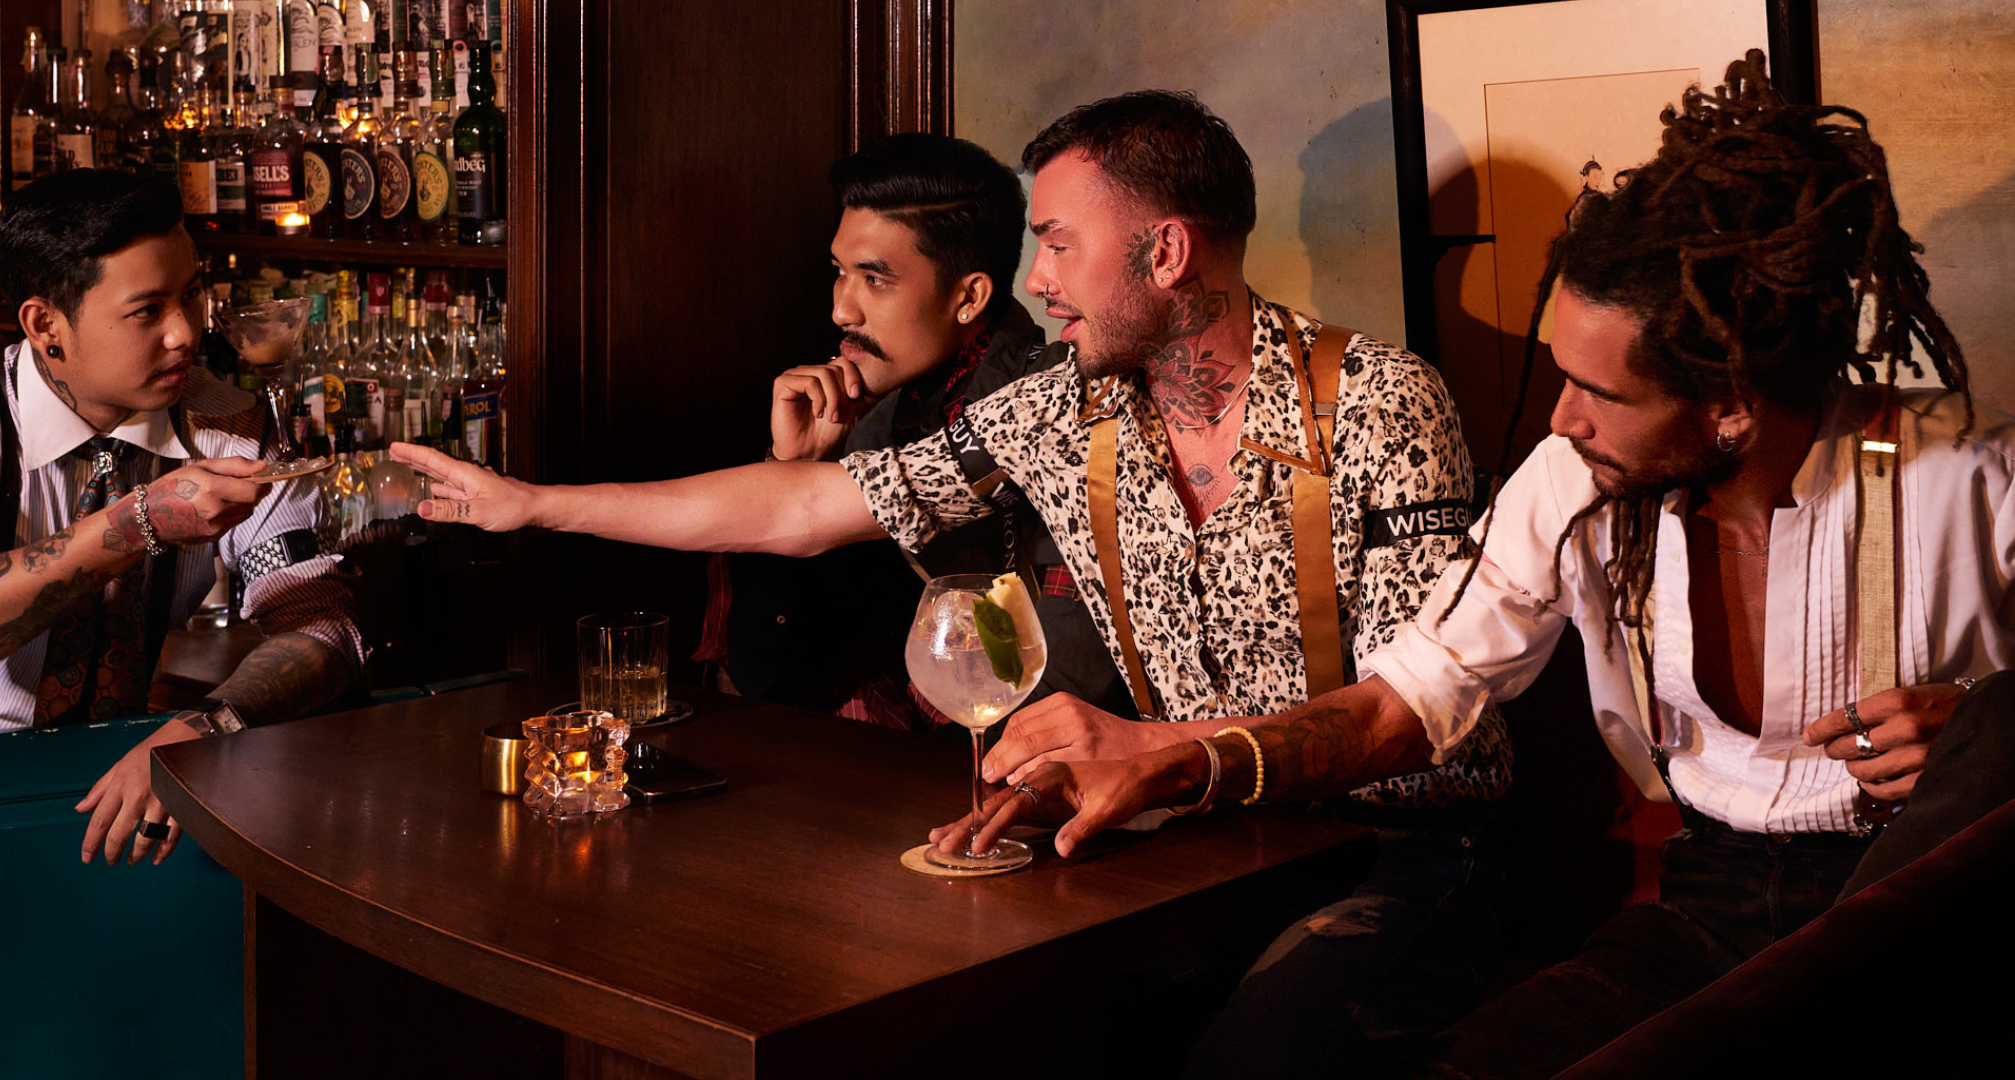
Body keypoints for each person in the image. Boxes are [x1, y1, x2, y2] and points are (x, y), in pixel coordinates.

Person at [393, 90, 1512, 1075]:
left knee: (1252, 1057)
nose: (1033, 282)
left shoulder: (1374, 401)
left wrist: (1168, 758)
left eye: (1061, 246)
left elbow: (1415, 727)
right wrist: (532, 502)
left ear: (1165, 253)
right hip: (1201, 846)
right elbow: (804, 508)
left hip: (1394, 849)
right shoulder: (1067, 409)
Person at [942, 54, 2015, 1078]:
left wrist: (1980, 732)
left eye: (1603, 396)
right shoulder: (1571, 480)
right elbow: (1404, 701)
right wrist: (1178, 761)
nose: (1562, 419)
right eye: (1562, 375)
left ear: (1730, 407)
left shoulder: (1967, 473)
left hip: (1919, 913)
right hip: (1709, 905)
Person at [0, 169, 364, 869]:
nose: (186, 333)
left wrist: (210, 722)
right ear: (45, 326)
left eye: (190, 293)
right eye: (147, 310)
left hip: (124, 769)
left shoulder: (230, 424)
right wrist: (141, 520)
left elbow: (324, 622)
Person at [704, 132, 1130, 729]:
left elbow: (1068, 699)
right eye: (840, 273)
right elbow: (773, 679)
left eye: (875, 279)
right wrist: (793, 468)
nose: (842, 311)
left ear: (969, 297)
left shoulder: (1065, 412)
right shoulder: (869, 424)